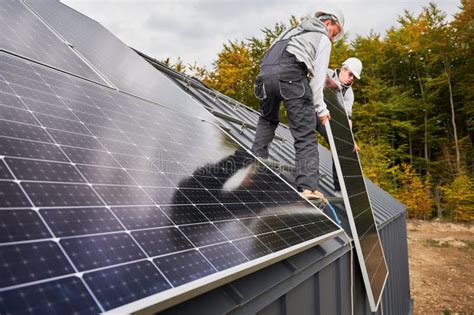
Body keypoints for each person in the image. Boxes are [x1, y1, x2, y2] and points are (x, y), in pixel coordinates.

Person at [251, 7, 345, 200]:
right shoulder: (322, 38)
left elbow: (269, 57)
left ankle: (253, 165)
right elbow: (317, 80)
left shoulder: (290, 31)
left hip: (264, 76)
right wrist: (320, 109)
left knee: (267, 120)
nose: (333, 38)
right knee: (305, 134)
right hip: (292, 77)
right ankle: (308, 187)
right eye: (334, 33)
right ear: (328, 23)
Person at [319, 57, 363, 197]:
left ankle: (339, 189)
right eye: (350, 74)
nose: (351, 79)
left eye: (354, 77)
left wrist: (350, 139)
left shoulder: (349, 93)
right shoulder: (327, 73)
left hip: (327, 119)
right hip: (313, 111)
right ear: (343, 69)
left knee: (341, 144)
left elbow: (347, 119)